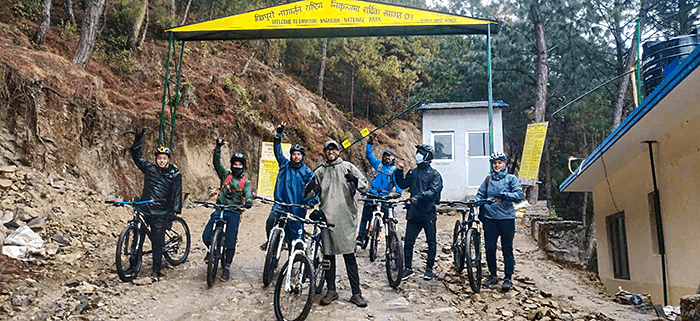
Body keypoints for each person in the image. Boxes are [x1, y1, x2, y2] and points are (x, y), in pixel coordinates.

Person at [304, 140, 369, 307]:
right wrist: (310, 188)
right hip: (327, 218)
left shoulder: (348, 167)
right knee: (328, 255)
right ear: (324, 152)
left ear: (338, 151)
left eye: (333, 149)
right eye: (328, 149)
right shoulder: (319, 171)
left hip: (346, 218)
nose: (331, 152)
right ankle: (331, 290)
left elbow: (365, 187)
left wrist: (355, 180)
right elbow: (307, 195)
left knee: (349, 256)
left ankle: (356, 293)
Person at [129, 130, 182, 281]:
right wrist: (137, 142)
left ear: (168, 160)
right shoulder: (150, 169)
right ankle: (133, 267)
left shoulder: (174, 175)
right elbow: (137, 158)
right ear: (156, 159)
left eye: (164, 158)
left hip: (161, 211)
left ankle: (156, 270)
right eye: (159, 158)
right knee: (137, 237)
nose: (161, 161)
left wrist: (174, 211)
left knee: (157, 242)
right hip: (145, 208)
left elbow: (177, 194)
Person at [202, 138, 253, 282]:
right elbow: (217, 163)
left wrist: (248, 202)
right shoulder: (226, 175)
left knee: (231, 240)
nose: (237, 166)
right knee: (206, 235)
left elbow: (249, 194)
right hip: (220, 208)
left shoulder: (246, 182)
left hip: (235, 212)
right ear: (232, 165)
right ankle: (212, 249)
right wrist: (217, 148)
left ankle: (227, 266)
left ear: (243, 166)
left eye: (239, 164)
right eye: (235, 164)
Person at [260, 122, 316, 251]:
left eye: (298, 154)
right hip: (280, 204)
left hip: (297, 207)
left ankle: (292, 264)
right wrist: (278, 134)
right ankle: (270, 242)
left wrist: (311, 202)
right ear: (291, 155)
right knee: (270, 221)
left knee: (295, 239)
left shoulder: (307, 172)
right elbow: (277, 151)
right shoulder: (284, 164)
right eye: (294, 154)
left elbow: (313, 189)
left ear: (302, 156)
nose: (296, 156)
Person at [475, 152, 524, 291]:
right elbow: (480, 194)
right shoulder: (488, 180)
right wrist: (477, 202)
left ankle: (508, 277)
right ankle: (493, 275)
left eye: (499, 163)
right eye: (494, 163)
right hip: (490, 219)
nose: (497, 165)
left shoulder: (511, 178)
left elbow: (519, 195)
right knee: (490, 248)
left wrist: (504, 195)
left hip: (506, 219)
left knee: (507, 249)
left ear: (504, 164)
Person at [394, 144, 443, 281]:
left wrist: (419, 197)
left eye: (421, 153)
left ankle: (429, 269)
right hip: (414, 213)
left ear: (427, 156)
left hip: (428, 213)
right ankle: (408, 268)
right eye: (418, 152)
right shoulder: (413, 171)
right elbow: (403, 184)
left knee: (431, 242)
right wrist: (399, 171)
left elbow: (434, 191)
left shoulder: (435, 175)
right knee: (409, 241)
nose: (418, 155)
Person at [356, 134, 402, 246]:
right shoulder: (378, 165)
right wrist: (370, 143)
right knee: (365, 217)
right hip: (372, 194)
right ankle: (360, 237)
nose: (387, 158)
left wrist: (397, 194)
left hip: (385, 197)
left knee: (388, 220)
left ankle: (389, 242)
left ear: (393, 158)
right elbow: (369, 155)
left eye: (389, 156)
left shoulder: (394, 170)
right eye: (385, 155)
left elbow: (398, 185)